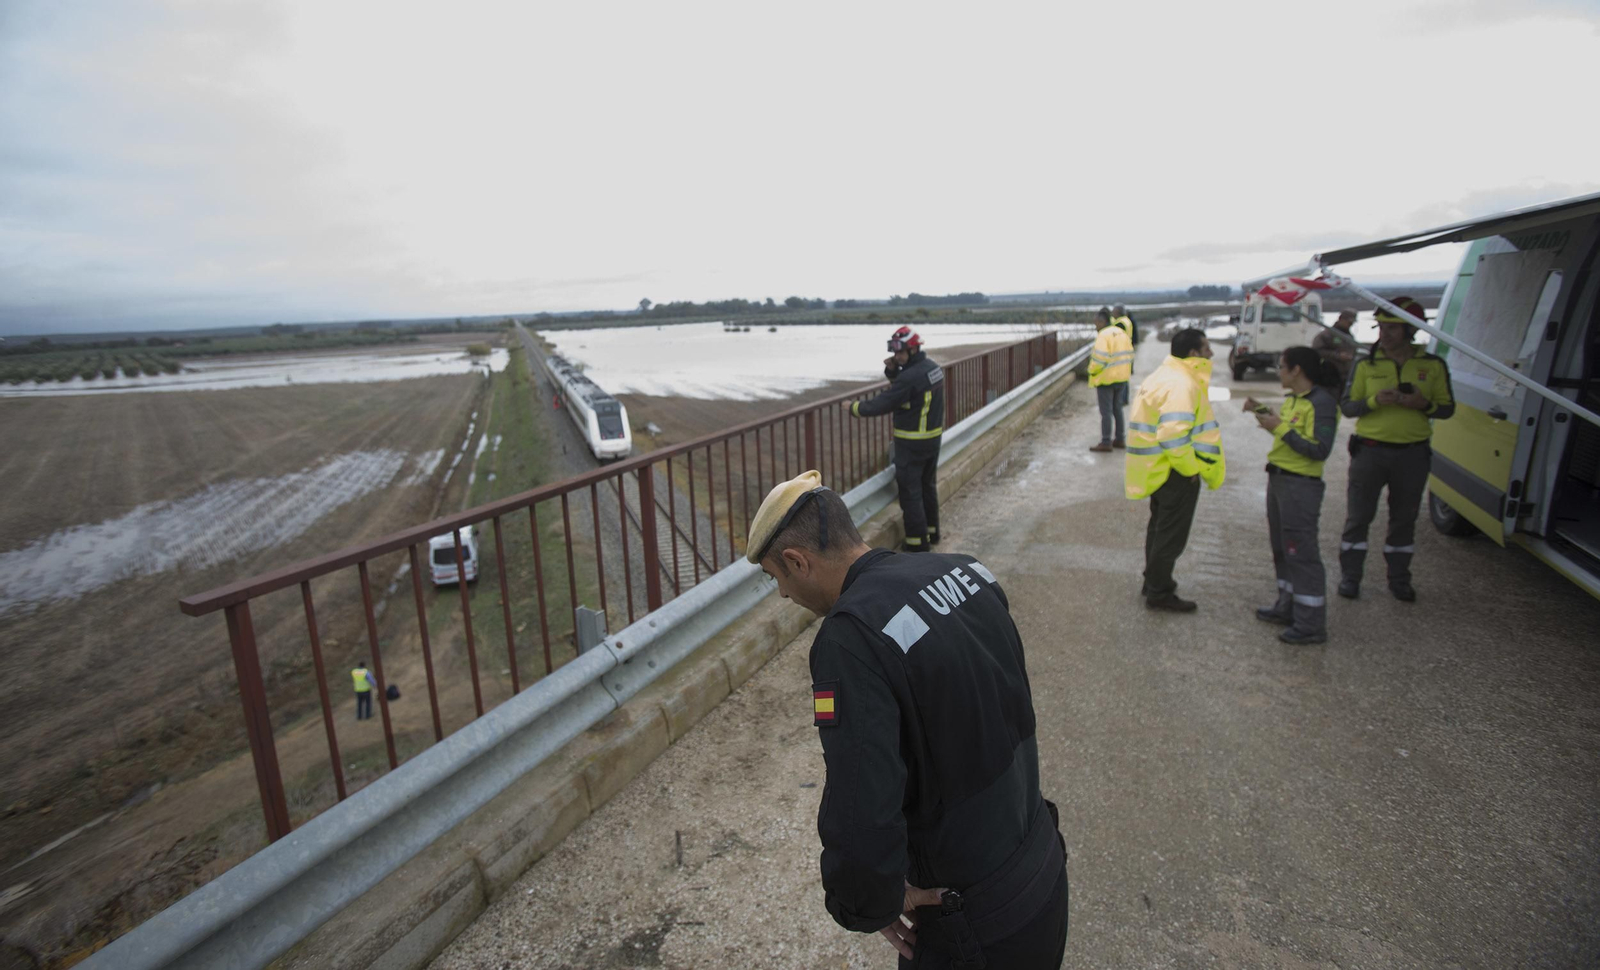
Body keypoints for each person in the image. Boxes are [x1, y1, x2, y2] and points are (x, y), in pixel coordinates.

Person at [746, 470, 1069, 969]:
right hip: (1041, 869)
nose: (784, 596)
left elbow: (860, 799)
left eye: (777, 579)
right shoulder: (967, 572)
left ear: (796, 561)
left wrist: (867, 899)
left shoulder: (849, 639)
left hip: (972, 924)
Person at [1337, 296, 1456, 602]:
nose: (1384, 334)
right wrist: (1375, 402)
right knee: (1358, 518)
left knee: (1404, 519)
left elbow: (1446, 409)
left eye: (1392, 329)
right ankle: (1350, 578)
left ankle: (1399, 579)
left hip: (1413, 455)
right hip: (1370, 452)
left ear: (1410, 331)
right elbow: (1348, 407)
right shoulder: (1367, 364)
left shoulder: (1432, 366)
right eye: (1381, 327)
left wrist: (1423, 405)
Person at [1243, 346, 1342, 644]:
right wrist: (1262, 411)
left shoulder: (1321, 404)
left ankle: (1310, 624)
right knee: (1282, 549)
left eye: (1282, 366)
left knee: (1301, 553)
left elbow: (1319, 450)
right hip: (1280, 479)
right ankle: (1286, 606)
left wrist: (1281, 428)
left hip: (1301, 486)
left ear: (1297, 370)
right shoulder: (1294, 401)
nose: (1279, 371)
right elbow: (1286, 431)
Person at [1125, 328, 1226, 612]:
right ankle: (1159, 591)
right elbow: (1173, 435)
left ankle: (1152, 580)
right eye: (1207, 348)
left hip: (1156, 469)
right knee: (1171, 535)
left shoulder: (1162, 375)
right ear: (1194, 353)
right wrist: (1191, 469)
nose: (1211, 354)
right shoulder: (1183, 384)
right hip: (1175, 472)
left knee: (1159, 529)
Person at [845, 326, 945, 551]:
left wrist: (854, 408)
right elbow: (909, 390)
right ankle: (932, 532)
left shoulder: (910, 376)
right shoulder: (932, 368)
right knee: (928, 486)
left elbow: (885, 401)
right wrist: (893, 371)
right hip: (932, 439)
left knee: (911, 493)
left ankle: (917, 545)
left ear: (913, 349)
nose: (897, 356)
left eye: (901, 352)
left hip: (911, 443)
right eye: (895, 351)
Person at [1087, 307, 1135, 452]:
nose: (1095, 326)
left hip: (1106, 379)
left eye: (1096, 323)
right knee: (1117, 409)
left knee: (1106, 412)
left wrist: (1091, 370)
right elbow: (1131, 354)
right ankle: (1120, 439)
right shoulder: (1121, 332)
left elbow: (1100, 358)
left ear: (1101, 322)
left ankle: (1106, 442)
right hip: (1122, 378)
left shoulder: (1103, 336)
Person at [1312, 309, 1362, 385]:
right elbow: (1317, 351)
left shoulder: (1349, 337)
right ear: (1341, 319)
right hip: (1330, 376)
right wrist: (1338, 356)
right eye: (1349, 322)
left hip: (1347, 375)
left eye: (1352, 323)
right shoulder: (1326, 335)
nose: (1350, 324)